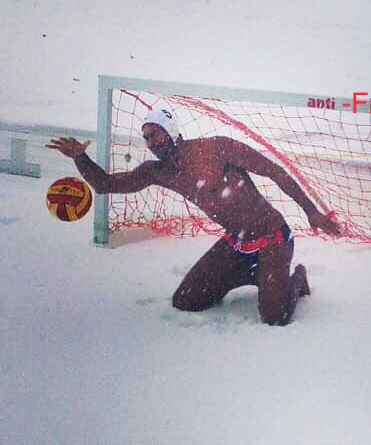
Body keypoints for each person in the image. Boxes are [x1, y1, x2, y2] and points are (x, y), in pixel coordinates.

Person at [47, 109, 340, 326]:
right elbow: (106, 185)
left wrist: (310, 210)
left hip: (272, 237)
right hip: (236, 244)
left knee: (274, 316)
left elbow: (273, 171)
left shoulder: (216, 147)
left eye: (156, 133)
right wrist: (79, 158)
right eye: (146, 137)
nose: (151, 141)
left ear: (171, 131)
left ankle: (294, 279)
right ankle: (258, 276)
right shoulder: (156, 171)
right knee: (186, 301)